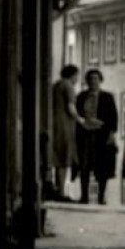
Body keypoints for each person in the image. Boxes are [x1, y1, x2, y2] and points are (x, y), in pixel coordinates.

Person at [74, 68, 118, 204]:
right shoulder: (81, 97)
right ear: (87, 81)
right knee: (84, 165)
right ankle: (84, 196)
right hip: (85, 134)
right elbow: (77, 115)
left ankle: (101, 196)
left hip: (102, 135)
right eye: (91, 79)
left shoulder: (107, 97)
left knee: (102, 166)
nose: (93, 82)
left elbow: (113, 117)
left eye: (96, 79)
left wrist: (111, 134)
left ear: (100, 81)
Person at [50, 64, 80, 201]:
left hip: (54, 124)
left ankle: (58, 189)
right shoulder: (68, 86)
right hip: (65, 125)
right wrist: (81, 120)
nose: (77, 79)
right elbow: (71, 107)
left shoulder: (55, 85)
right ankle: (61, 191)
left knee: (57, 158)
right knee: (64, 158)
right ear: (72, 75)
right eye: (76, 76)